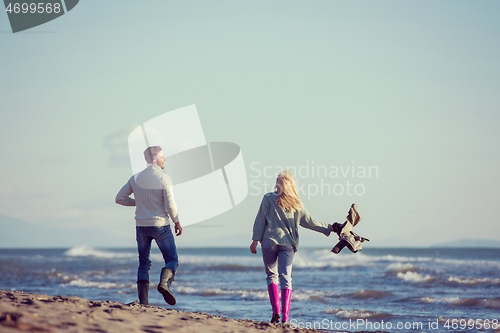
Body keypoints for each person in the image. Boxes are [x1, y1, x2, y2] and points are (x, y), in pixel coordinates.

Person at [250, 170, 335, 324]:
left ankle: (275, 312)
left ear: (278, 184)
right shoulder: (297, 203)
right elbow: (310, 222)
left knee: (271, 276)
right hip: (287, 244)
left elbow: (260, 220)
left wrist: (255, 240)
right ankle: (285, 317)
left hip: (269, 242)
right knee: (286, 278)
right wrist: (329, 228)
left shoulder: (268, 198)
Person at [116, 146, 182, 306]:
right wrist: (177, 221)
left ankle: (144, 303)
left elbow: (120, 198)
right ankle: (164, 284)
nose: (165, 159)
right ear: (154, 161)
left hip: (141, 226)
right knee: (172, 259)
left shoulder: (135, 178)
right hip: (160, 225)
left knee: (144, 263)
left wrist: (138, 202)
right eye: (162, 157)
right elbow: (170, 204)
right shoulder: (164, 178)